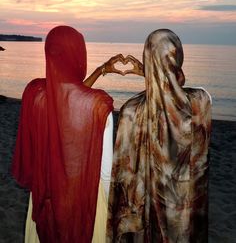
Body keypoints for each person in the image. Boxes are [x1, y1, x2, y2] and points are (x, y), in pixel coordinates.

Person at [12, 25, 125, 243]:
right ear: (79, 54)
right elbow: (105, 174)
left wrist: (101, 70)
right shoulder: (98, 108)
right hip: (85, 204)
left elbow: (65, 97)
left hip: (44, 200)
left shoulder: (34, 94)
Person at [107, 28, 212, 242]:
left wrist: (149, 72)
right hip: (185, 220)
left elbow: (123, 178)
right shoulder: (201, 102)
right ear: (178, 56)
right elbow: (176, 85)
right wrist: (153, 71)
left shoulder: (131, 110)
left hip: (147, 222)